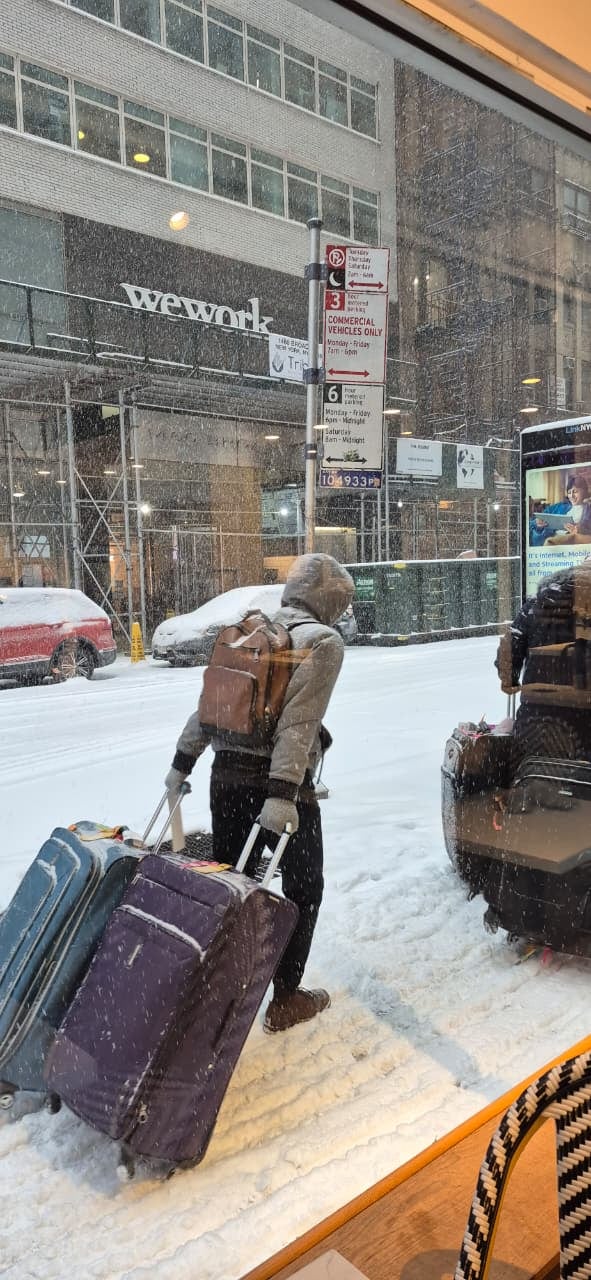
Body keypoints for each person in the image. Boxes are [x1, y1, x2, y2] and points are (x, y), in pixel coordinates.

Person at [165, 553, 355, 1033]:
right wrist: (282, 794)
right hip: (278, 788)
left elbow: (212, 705)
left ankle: (213, 1000)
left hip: (225, 778)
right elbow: (297, 725)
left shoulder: (250, 628)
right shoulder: (322, 642)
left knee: (235, 889)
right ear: (330, 600)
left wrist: (180, 763)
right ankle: (285, 998)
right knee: (303, 887)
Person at [495, 558, 591, 762]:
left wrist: (509, 680)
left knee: (535, 776)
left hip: (537, 715)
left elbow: (509, 649)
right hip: (585, 718)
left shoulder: (535, 604)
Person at [537, 476, 591, 546]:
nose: (571, 496)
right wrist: (539, 522)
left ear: (584, 491)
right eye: (569, 492)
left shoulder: (588, 509)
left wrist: (580, 530)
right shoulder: (561, 505)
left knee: (549, 542)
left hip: (567, 540)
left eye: (575, 491)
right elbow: (541, 516)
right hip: (551, 536)